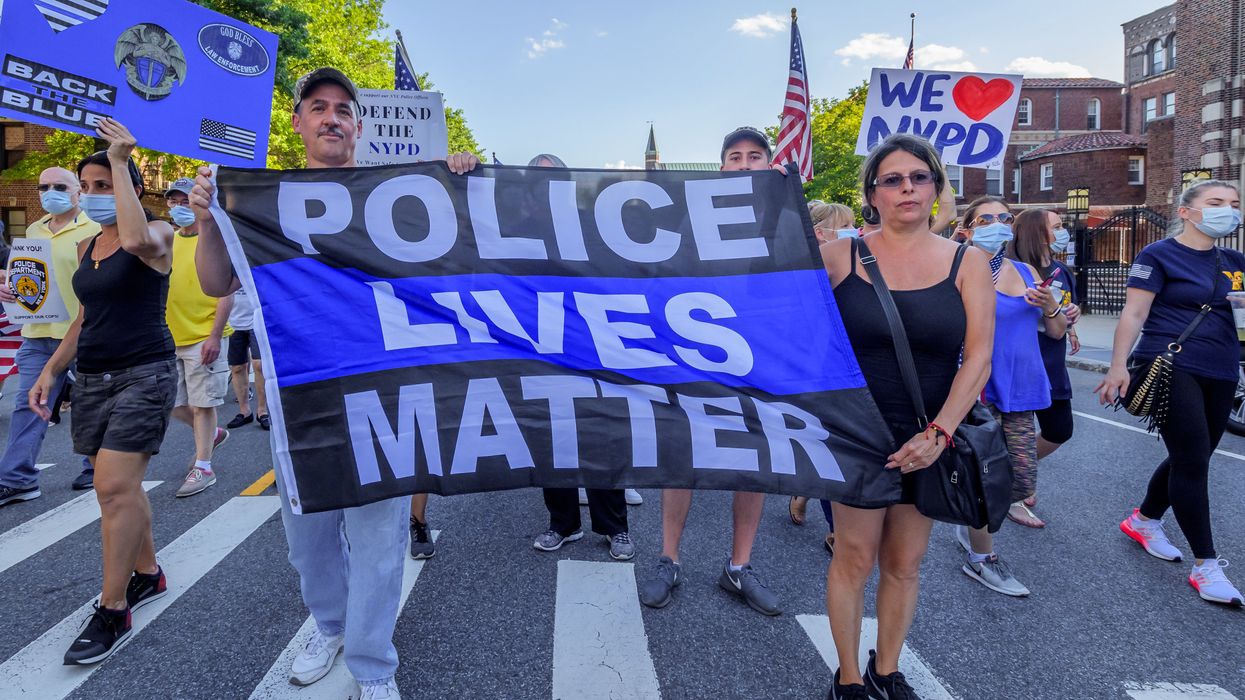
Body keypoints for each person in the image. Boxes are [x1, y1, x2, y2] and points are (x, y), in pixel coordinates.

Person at [191, 66, 482, 699]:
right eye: (317, 107)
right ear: (297, 123)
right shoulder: (262, 199)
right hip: (301, 397)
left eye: (343, 109)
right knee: (310, 539)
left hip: (384, 393)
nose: (331, 117)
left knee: (379, 541)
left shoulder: (403, 196)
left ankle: (373, 664)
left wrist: (462, 182)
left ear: (358, 125)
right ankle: (328, 626)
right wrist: (211, 218)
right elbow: (216, 285)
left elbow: (469, 255)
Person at [820, 134, 993, 699]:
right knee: (853, 557)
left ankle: (886, 671)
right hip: (855, 433)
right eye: (892, 179)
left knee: (905, 562)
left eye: (919, 177)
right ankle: (848, 679)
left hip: (930, 435)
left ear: (937, 186)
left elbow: (979, 359)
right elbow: (781, 322)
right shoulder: (838, 256)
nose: (907, 188)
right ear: (873, 193)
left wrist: (939, 433)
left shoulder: (970, 263)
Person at [30, 120, 177, 664]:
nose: (92, 195)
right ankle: (148, 573)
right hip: (92, 377)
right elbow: (84, 318)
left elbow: (137, 240)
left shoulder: (156, 233)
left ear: (131, 188)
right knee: (119, 487)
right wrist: (52, 370)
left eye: (104, 184)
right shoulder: (91, 244)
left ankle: (113, 609)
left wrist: (121, 160)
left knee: (112, 488)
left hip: (146, 373)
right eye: (85, 187)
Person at [638, 126, 788, 616]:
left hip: (762, 361)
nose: (744, 165)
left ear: (769, 163)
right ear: (721, 167)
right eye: (734, 157)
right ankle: (668, 558)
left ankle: (738, 567)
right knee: (681, 458)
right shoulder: (690, 219)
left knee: (753, 465)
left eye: (754, 157)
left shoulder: (791, 218)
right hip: (695, 355)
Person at [1096, 179, 1244, 607]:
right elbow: (1135, 311)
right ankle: (1207, 566)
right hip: (1169, 363)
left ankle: (1143, 521)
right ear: (1186, 211)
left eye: (1233, 204)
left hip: (1221, 368)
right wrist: (1117, 366)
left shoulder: (1235, 260)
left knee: (1191, 455)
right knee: (1194, 459)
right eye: (1215, 202)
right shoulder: (1159, 255)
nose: (1228, 210)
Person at [523, 152, 635, 561]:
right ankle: (563, 524)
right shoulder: (508, 228)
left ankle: (614, 527)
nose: (544, 184)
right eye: (536, 177)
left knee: (601, 435)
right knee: (551, 436)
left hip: (592, 344)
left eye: (552, 177)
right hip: (539, 347)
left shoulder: (592, 224)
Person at [955, 196, 1063, 597]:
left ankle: (972, 528)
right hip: (976, 387)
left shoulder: (1024, 269)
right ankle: (982, 558)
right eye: (986, 218)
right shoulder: (957, 266)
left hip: (1021, 384)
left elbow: (1053, 333)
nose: (998, 224)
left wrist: (1052, 307)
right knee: (987, 476)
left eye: (1004, 217)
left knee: (1020, 477)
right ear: (967, 228)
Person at [0, 167, 100, 505]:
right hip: (38, 332)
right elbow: (29, 277)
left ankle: (95, 466)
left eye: (59, 186)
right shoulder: (33, 229)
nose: (50, 192)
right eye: (44, 186)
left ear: (77, 192)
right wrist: (11, 291)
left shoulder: (95, 227)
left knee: (90, 404)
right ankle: (17, 479)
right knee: (28, 404)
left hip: (83, 332)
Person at [1009, 208, 1082, 524]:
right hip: (1019, 366)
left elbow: (1065, 309)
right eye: (1056, 226)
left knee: (1059, 430)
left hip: (1052, 363)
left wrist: (1072, 322)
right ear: (1034, 232)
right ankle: (1012, 490)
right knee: (1014, 436)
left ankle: (1016, 473)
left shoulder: (1062, 271)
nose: (1062, 232)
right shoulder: (1010, 270)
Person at [164, 178, 233, 497]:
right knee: (171, 404)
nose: (179, 207)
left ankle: (203, 466)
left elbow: (226, 293)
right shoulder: (168, 241)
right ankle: (212, 435)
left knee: (202, 404)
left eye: (185, 200)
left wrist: (215, 336)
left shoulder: (213, 238)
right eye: (173, 202)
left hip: (204, 335)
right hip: (170, 337)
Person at [224, 286, 269, 431]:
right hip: (233, 322)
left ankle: (262, 411)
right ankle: (244, 411)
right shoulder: (226, 265)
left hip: (256, 319)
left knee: (259, 365)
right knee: (237, 367)